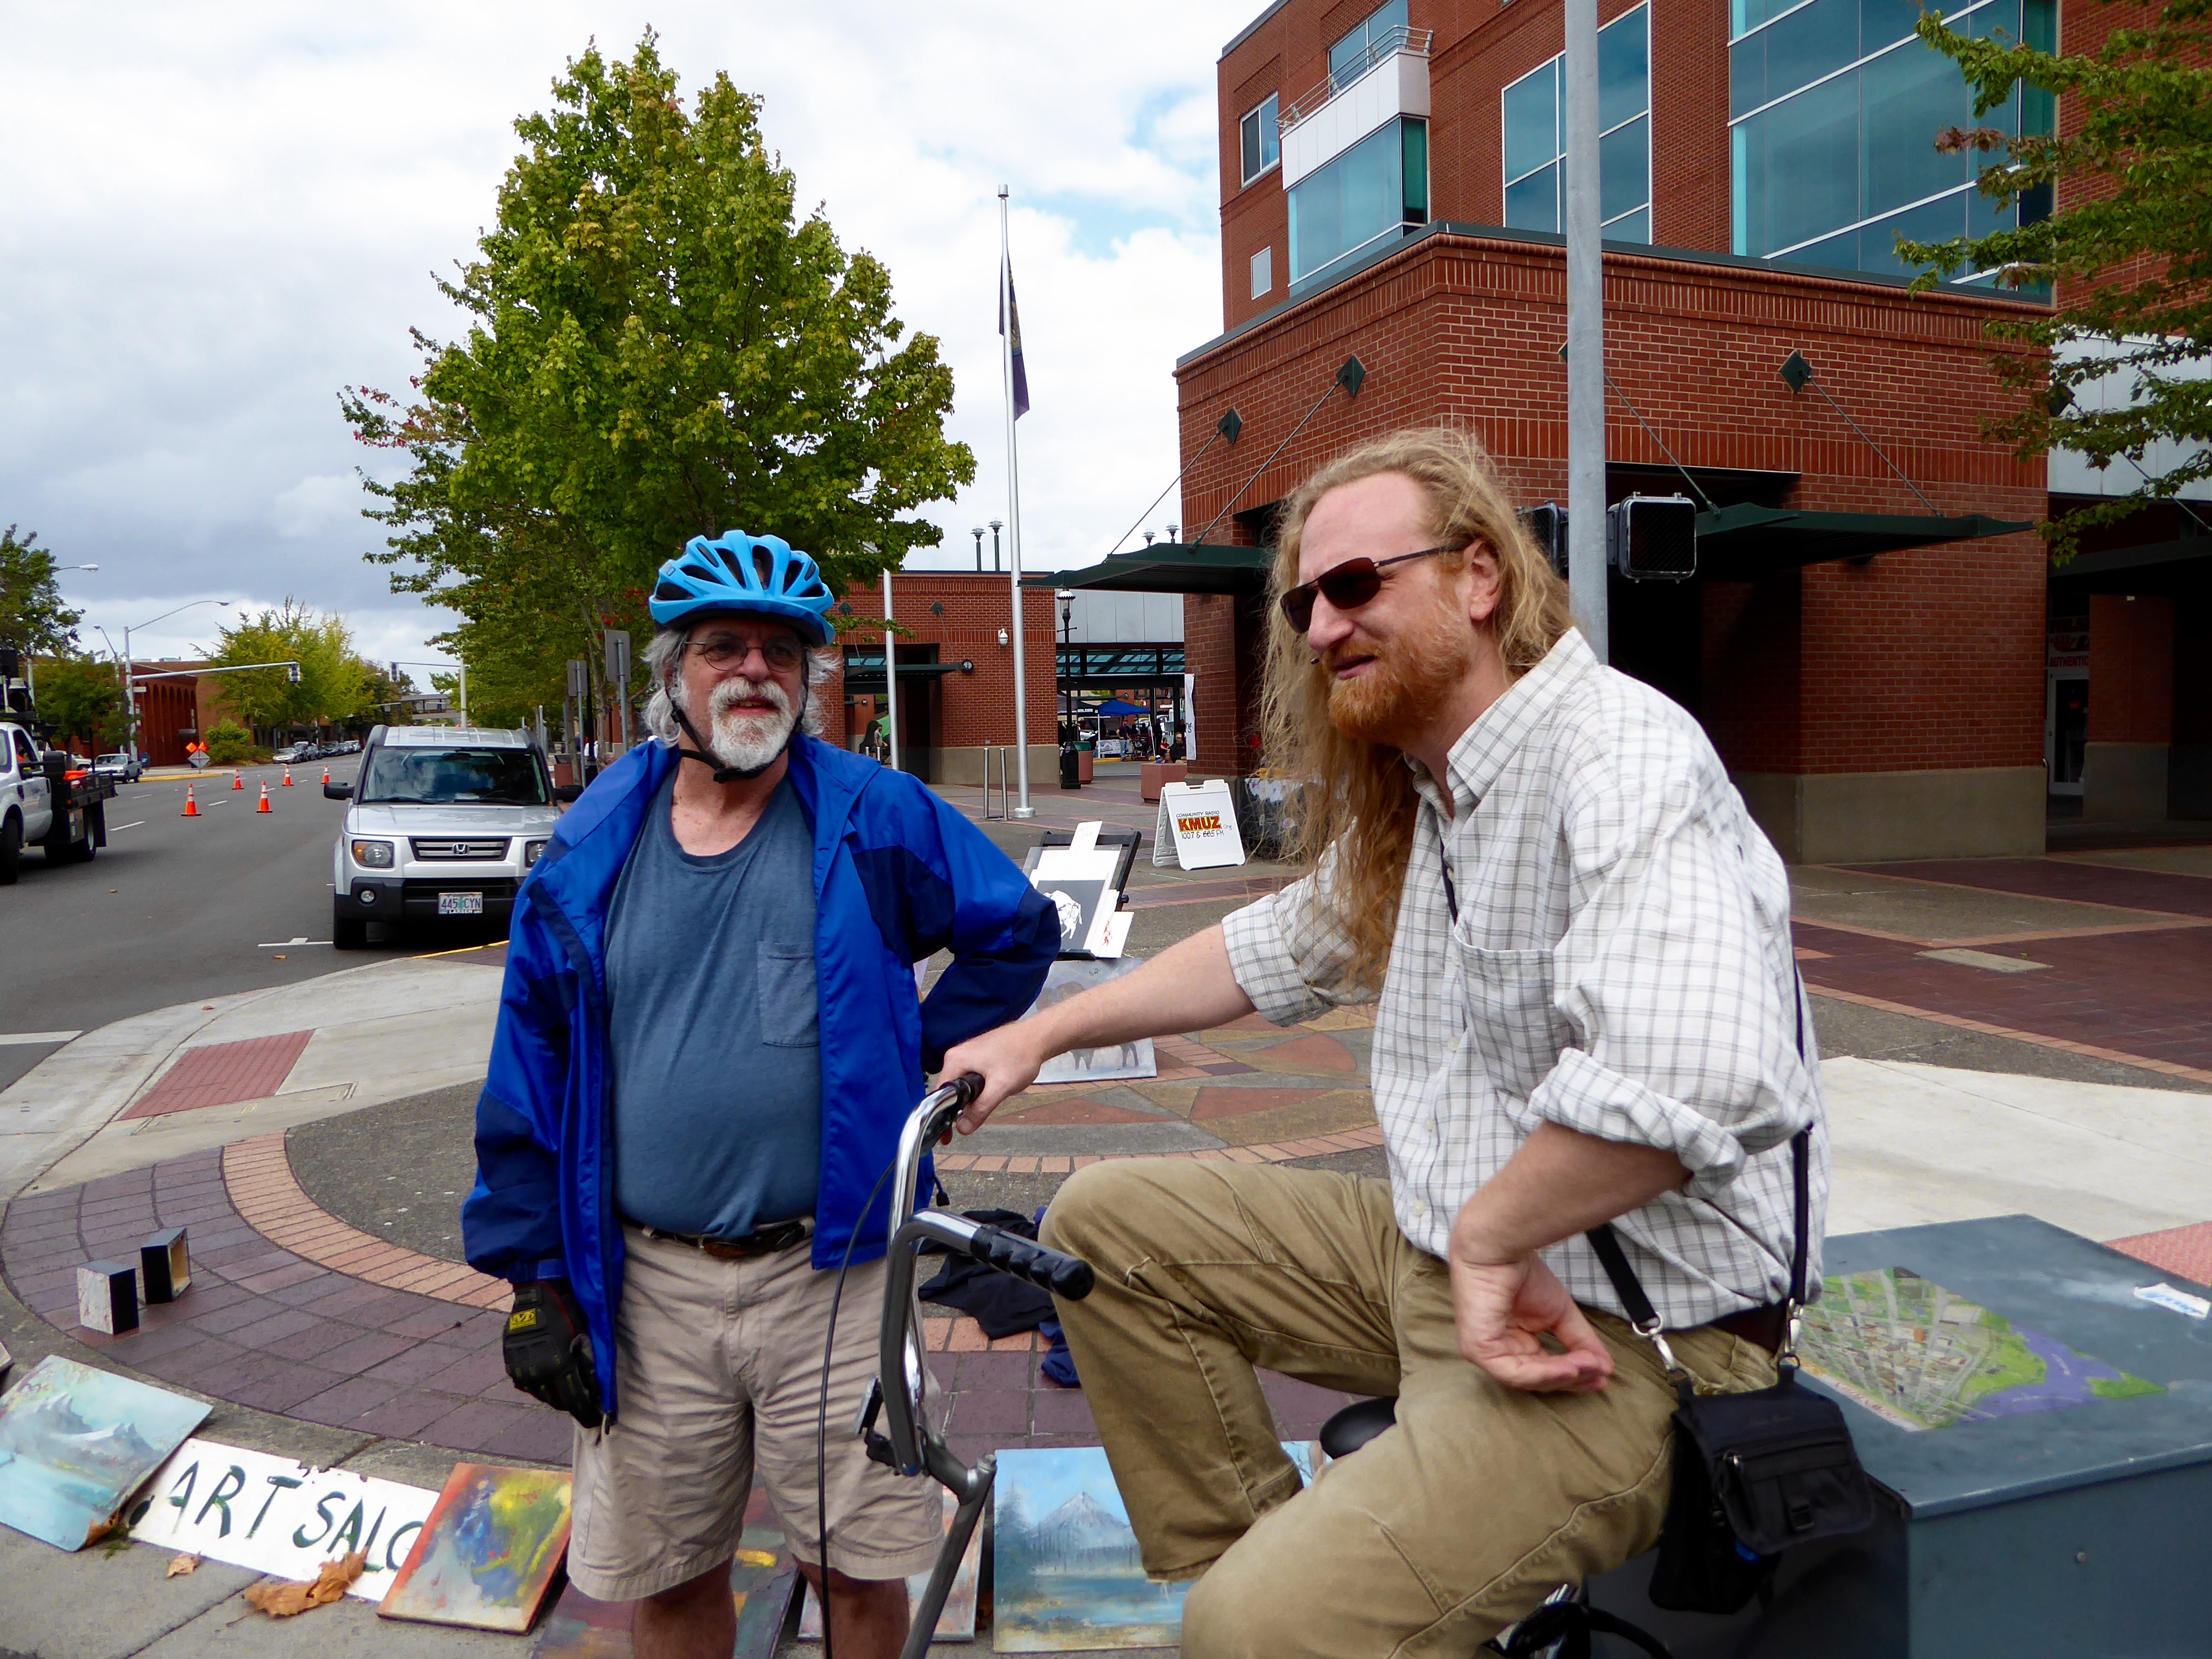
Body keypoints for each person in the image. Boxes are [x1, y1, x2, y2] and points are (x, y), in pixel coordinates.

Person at [945, 429, 1826, 1657]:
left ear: (1479, 579)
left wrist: (1490, 1233)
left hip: (1619, 1342)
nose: (1318, 628)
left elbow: (1701, 1070)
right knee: (1100, 1227)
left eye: (1356, 586)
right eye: (1303, 601)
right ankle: (1275, 1576)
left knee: (1252, 1633)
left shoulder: (1616, 754)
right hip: (1446, 1269)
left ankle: (1272, 1620)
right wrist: (1041, 1032)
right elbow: (1267, 949)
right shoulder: (1428, 793)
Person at [464, 529, 1060, 1659]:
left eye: (783, 653)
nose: (755, 670)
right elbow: (528, 1074)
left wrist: (923, 1060)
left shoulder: (870, 815)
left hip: (833, 1276)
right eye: (724, 647)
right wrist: (534, 1281)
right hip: (648, 1288)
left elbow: (1014, 931)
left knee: (857, 1566)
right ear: (673, 676)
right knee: (669, 1572)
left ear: (808, 680)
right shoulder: (594, 845)